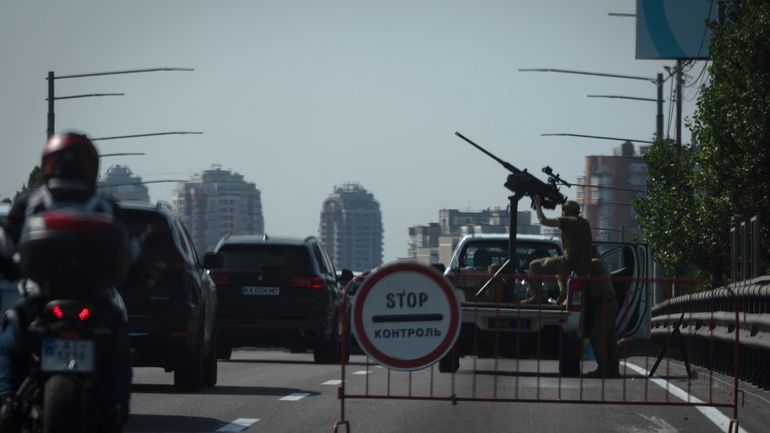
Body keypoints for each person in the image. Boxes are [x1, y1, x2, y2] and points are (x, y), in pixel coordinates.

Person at [0, 132, 132, 430]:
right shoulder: (104, 204)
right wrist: (141, 273)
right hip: (93, 301)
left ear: (48, 164)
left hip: (42, 299)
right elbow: (129, 251)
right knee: (119, 349)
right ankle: (118, 406)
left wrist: (9, 266)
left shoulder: (32, 201)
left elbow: (7, 242)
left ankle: (7, 398)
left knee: (9, 342)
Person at [526, 196, 592, 304]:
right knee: (559, 271)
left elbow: (542, 220)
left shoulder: (567, 221)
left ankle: (537, 297)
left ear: (566, 212)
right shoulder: (585, 223)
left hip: (569, 262)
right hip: (582, 267)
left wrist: (537, 204)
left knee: (534, 265)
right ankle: (562, 296)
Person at [584, 246, 619, 378]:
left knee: (597, 336)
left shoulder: (594, 263)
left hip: (604, 304)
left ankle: (603, 368)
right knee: (609, 337)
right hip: (608, 303)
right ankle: (613, 369)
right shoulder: (600, 263)